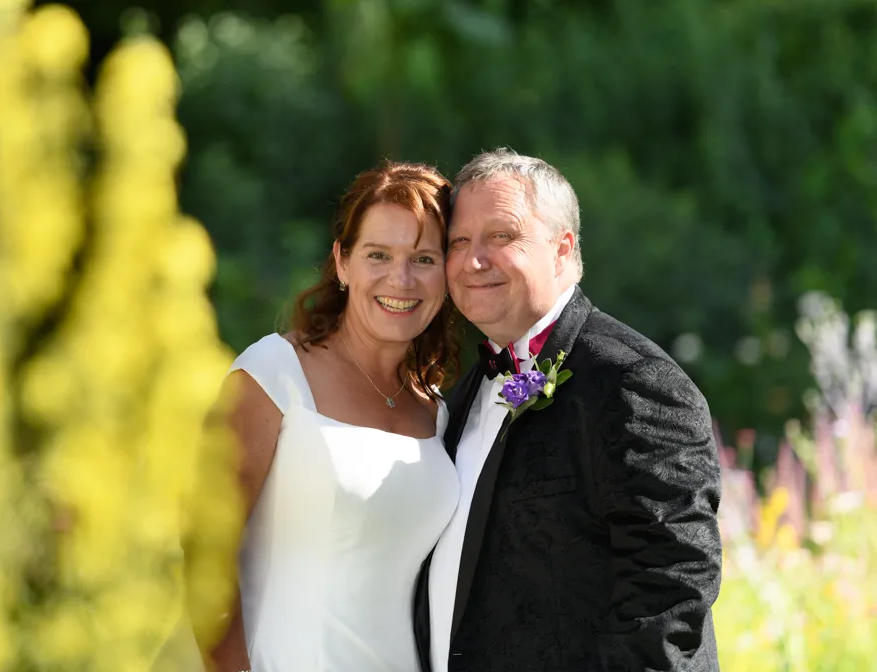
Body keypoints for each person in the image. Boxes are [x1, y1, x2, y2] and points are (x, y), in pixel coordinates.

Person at [413, 148, 723, 671]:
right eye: (458, 242)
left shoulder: (633, 381)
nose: (472, 260)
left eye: (501, 236)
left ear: (563, 249)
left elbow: (670, 592)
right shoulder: (463, 394)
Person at [208, 161, 462, 672]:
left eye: (424, 258)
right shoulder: (273, 372)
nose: (401, 278)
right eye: (378, 255)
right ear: (342, 263)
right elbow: (201, 547)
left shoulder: (436, 411)